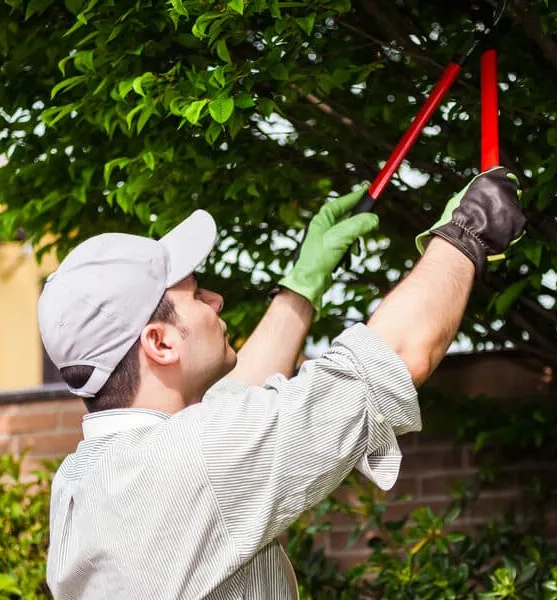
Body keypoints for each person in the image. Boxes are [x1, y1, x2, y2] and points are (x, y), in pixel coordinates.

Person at [38, 167, 526, 599]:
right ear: (160, 343)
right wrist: (465, 235)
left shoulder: (83, 479)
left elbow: (238, 405)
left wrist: (304, 282)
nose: (216, 301)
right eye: (195, 294)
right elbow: (392, 359)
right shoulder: (193, 461)